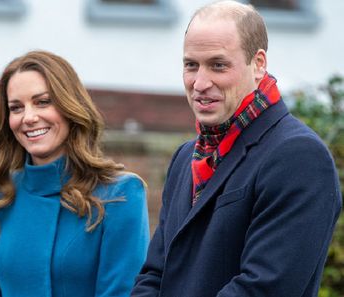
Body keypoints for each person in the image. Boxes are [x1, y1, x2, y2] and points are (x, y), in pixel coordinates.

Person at [131, 1, 342, 296]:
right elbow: (154, 275)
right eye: (191, 65)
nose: (200, 82)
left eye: (218, 65)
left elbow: (263, 288)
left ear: (258, 64)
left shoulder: (299, 156)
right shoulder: (186, 158)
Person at [0, 50, 150, 297]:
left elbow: (120, 291)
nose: (29, 117)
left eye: (42, 102)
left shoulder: (120, 193)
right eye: (16, 107)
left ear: (69, 106)